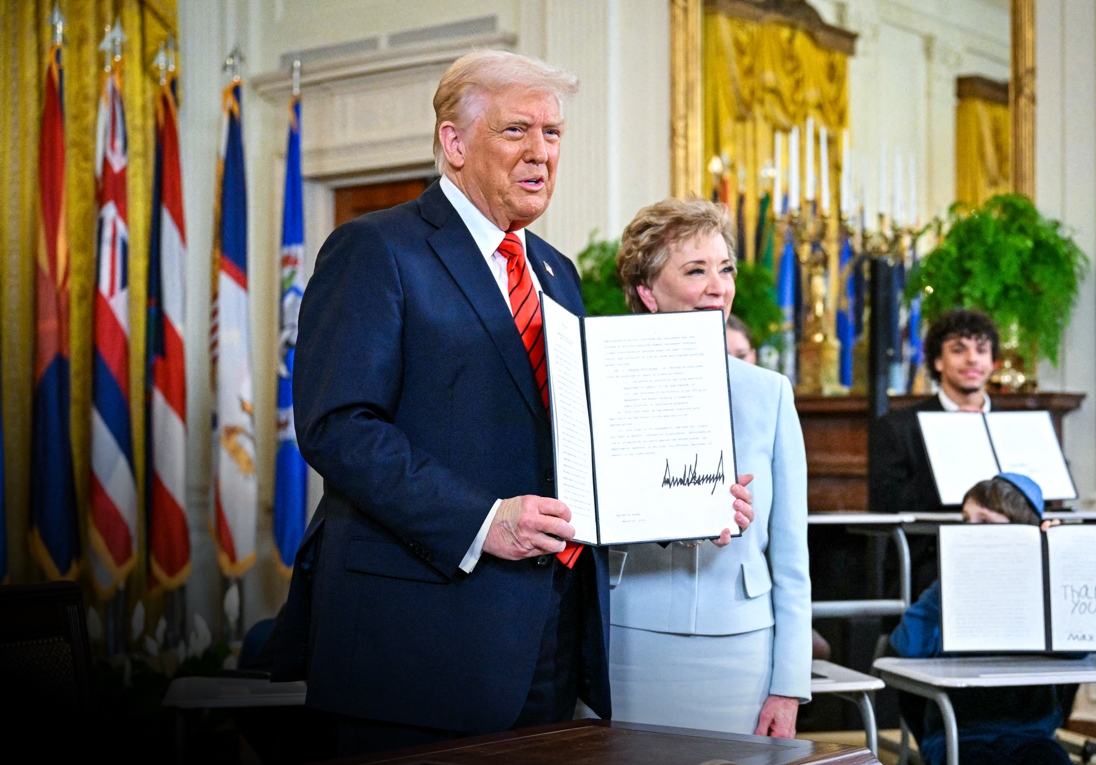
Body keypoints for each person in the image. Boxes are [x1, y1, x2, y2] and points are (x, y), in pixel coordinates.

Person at [273, 52, 752, 755]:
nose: (540, 154)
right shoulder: (374, 249)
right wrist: (481, 520)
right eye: (516, 131)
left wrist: (684, 504)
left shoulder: (554, 271)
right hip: (416, 641)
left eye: (553, 134)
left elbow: (581, 447)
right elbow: (337, 426)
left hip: (548, 635)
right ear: (454, 143)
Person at [608, 198, 812, 738]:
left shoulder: (769, 394)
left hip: (741, 647)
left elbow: (792, 556)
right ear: (648, 292)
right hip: (629, 637)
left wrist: (788, 685)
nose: (718, 286)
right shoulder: (604, 382)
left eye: (724, 269)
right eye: (695, 270)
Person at [889, 473, 1070, 765]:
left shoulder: (1041, 588)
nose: (969, 531)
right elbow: (907, 644)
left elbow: (1079, 647)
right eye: (965, 521)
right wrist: (948, 583)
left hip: (1032, 736)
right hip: (958, 736)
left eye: (984, 521)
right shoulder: (950, 589)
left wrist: (1058, 563)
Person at [869, 308, 999, 598]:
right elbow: (887, 504)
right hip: (929, 566)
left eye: (981, 349)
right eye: (958, 350)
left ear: (993, 362)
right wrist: (955, 442)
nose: (972, 359)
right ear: (938, 361)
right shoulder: (898, 427)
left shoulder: (1016, 425)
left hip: (1005, 561)